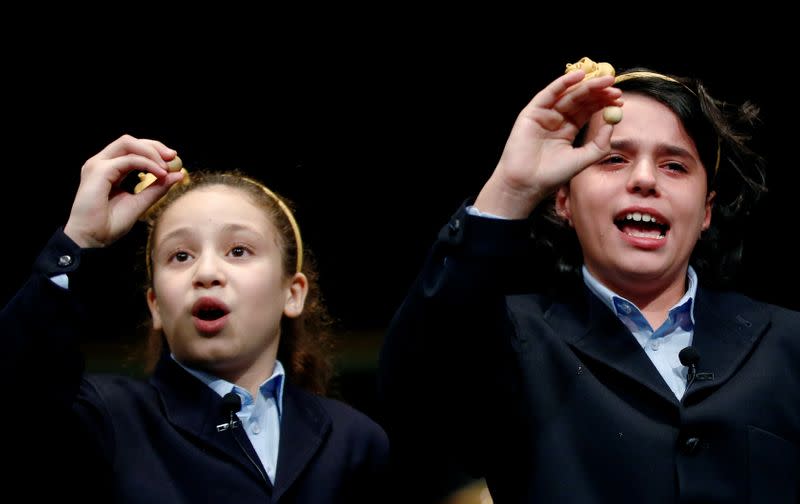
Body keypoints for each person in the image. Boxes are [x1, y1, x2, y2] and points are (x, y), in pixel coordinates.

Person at [378, 58, 800, 503]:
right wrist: (513, 186)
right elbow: (411, 395)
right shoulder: (513, 339)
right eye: (613, 158)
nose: (644, 180)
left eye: (674, 166)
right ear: (563, 199)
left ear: (706, 212)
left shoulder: (789, 344)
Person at [1, 135, 389, 502]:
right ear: (155, 305)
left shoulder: (355, 441)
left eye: (238, 250)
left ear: (293, 293)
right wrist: (78, 239)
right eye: (180, 256)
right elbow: (18, 393)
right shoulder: (106, 420)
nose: (206, 273)